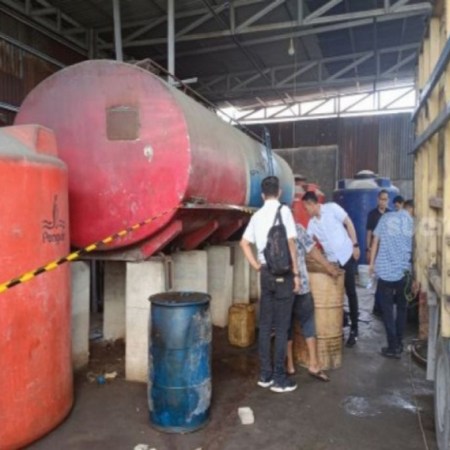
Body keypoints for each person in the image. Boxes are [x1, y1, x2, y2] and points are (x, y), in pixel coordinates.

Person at [240, 176, 300, 393]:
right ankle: (279, 379)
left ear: (262, 195)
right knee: (282, 328)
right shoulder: (285, 212)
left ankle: (265, 375)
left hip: (265, 274)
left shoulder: (256, 216)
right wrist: (296, 273)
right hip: (283, 273)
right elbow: (291, 242)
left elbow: (244, 243)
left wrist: (257, 265)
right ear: (280, 192)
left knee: (265, 326)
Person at [302, 191, 360, 347]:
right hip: (332, 262)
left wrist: (355, 245)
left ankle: (354, 329)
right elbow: (307, 243)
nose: (306, 211)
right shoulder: (312, 224)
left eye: (306, 208)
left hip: (346, 255)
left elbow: (348, 222)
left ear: (312, 204)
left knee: (351, 293)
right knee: (336, 295)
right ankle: (340, 324)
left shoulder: (332, 208)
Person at [286, 223, 339, 381]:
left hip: (282, 288)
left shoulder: (272, 228)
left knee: (286, 326)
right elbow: (312, 250)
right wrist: (329, 267)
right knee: (308, 322)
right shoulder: (297, 228)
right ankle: (314, 364)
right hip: (301, 285)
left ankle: (290, 365)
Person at [368, 200, 414, 358]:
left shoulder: (386, 217)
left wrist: (371, 264)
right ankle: (399, 343)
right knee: (402, 309)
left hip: (385, 273)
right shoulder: (412, 222)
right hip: (403, 273)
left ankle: (392, 346)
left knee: (387, 311)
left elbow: (375, 240)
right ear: (411, 210)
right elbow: (415, 248)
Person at [366, 190, 390, 316]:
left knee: (385, 279)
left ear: (388, 200)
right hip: (375, 250)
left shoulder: (391, 214)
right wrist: (368, 249)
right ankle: (377, 306)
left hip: (387, 251)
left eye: (385, 199)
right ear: (377, 199)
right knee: (376, 278)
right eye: (381, 199)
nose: (383, 202)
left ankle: (382, 306)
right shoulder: (372, 214)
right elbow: (369, 233)